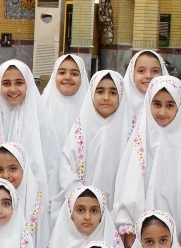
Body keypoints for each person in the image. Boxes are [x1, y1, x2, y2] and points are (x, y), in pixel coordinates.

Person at [111, 76, 181, 248]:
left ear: (180, 106)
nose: (162, 112)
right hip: (141, 227)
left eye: (170, 105)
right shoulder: (141, 138)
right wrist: (128, 225)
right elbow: (128, 185)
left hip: (178, 223)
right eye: (157, 104)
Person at [56, 69, 134, 215]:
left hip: (118, 208)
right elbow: (67, 166)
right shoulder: (81, 128)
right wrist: (81, 196)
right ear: (91, 94)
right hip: (83, 207)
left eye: (113, 92)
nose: (106, 98)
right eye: (100, 91)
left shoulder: (130, 131)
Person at [0, 61, 59, 201]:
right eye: (6, 83)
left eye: (19, 83)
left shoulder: (40, 118)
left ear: (28, 84)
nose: (13, 89)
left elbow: (50, 161)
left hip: (33, 194)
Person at [44, 186, 118, 248]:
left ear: (102, 215)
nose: (87, 217)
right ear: (70, 213)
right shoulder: (58, 247)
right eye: (80, 210)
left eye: (94, 211)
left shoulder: (112, 246)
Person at [41, 54, 91, 149]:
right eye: (62, 73)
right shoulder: (41, 107)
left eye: (74, 74)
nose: (67, 77)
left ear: (83, 77)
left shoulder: (91, 109)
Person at [121, 50, 169, 122]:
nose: (148, 76)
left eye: (155, 71)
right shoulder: (120, 105)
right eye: (141, 71)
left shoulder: (171, 105)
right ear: (132, 74)